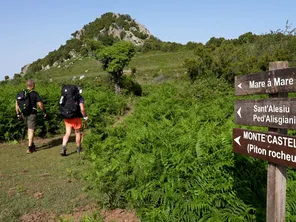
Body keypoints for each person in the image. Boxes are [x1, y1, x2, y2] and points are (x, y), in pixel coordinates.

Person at [15, 79, 47, 153]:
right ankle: (30, 148)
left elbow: (16, 104)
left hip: (23, 114)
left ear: (27, 85)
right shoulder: (34, 93)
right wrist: (44, 111)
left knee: (29, 129)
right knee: (31, 130)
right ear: (32, 85)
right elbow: (40, 104)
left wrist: (18, 114)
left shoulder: (20, 93)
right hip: (32, 114)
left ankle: (32, 145)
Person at [61, 86, 88, 156]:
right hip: (76, 117)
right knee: (77, 132)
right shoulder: (79, 97)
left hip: (66, 116)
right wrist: (85, 116)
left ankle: (63, 147)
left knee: (67, 133)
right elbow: (82, 109)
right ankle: (78, 148)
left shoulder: (65, 96)